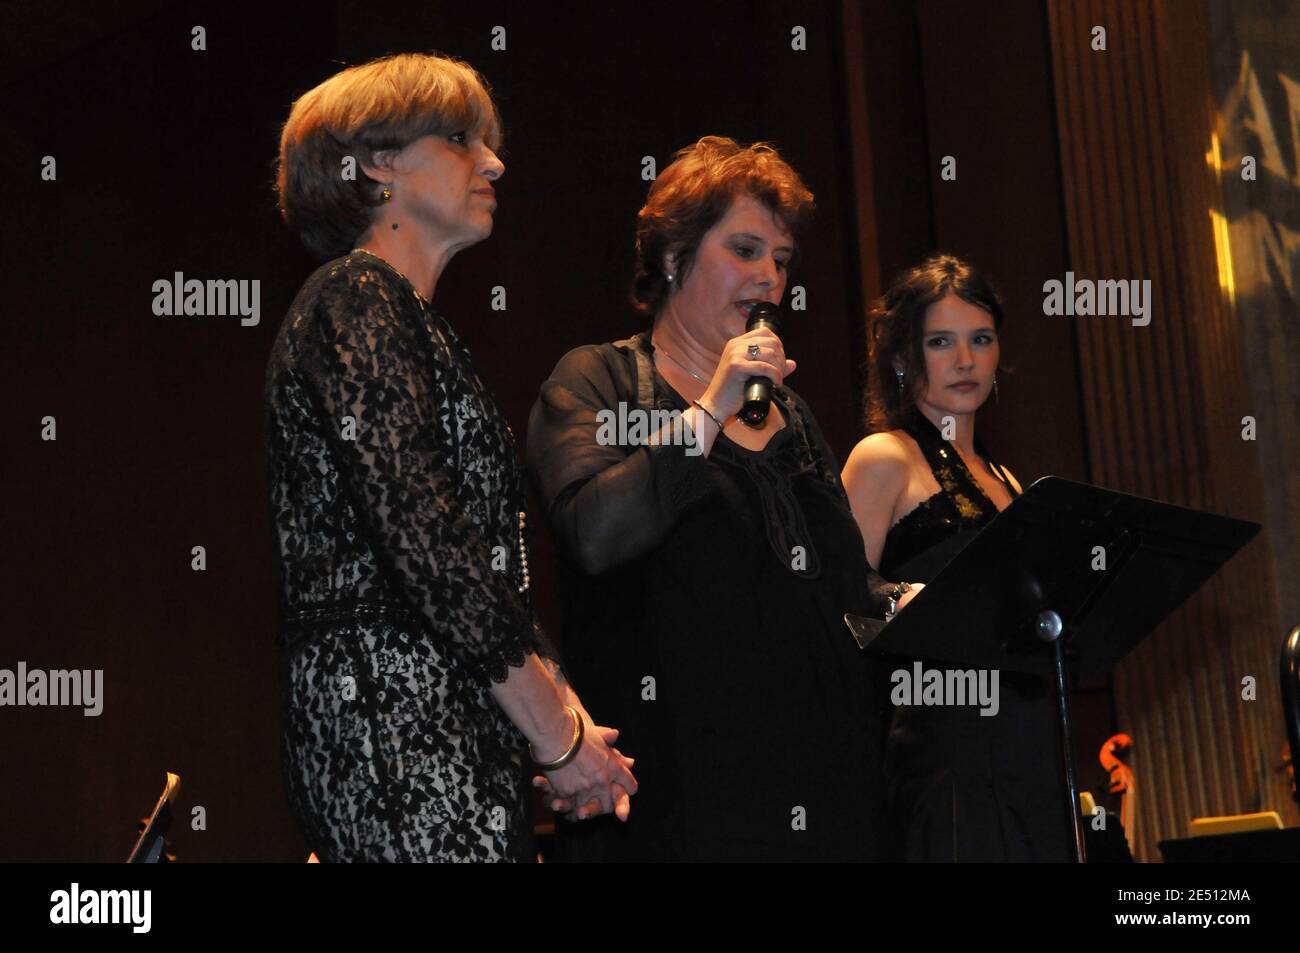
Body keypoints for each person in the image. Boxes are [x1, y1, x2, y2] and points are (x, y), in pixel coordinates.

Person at [265, 52, 635, 862]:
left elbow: (483, 566)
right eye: (463, 138)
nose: (495, 160)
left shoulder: (416, 324)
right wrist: (559, 738)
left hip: (444, 720)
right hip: (394, 724)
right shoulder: (353, 296)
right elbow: (427, 543)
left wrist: (567, 722)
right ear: (376, 163)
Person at [526, 136, 900, 861]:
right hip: (675, 811)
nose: (770, 278)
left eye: (782, 260)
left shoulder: (792, 417)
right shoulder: (599, 380)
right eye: (745, 250)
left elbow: (840, 585)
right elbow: (596, 532)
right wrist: (711, 406)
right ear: (673, 257)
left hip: (822, 803)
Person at [841, 254, 1072, 861]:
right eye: (941, 342)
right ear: (899, 358)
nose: (965, 361)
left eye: (981, 340)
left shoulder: (1009, 479)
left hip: (1032, 753)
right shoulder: (882, 457)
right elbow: (837, 604)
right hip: (943, 760)